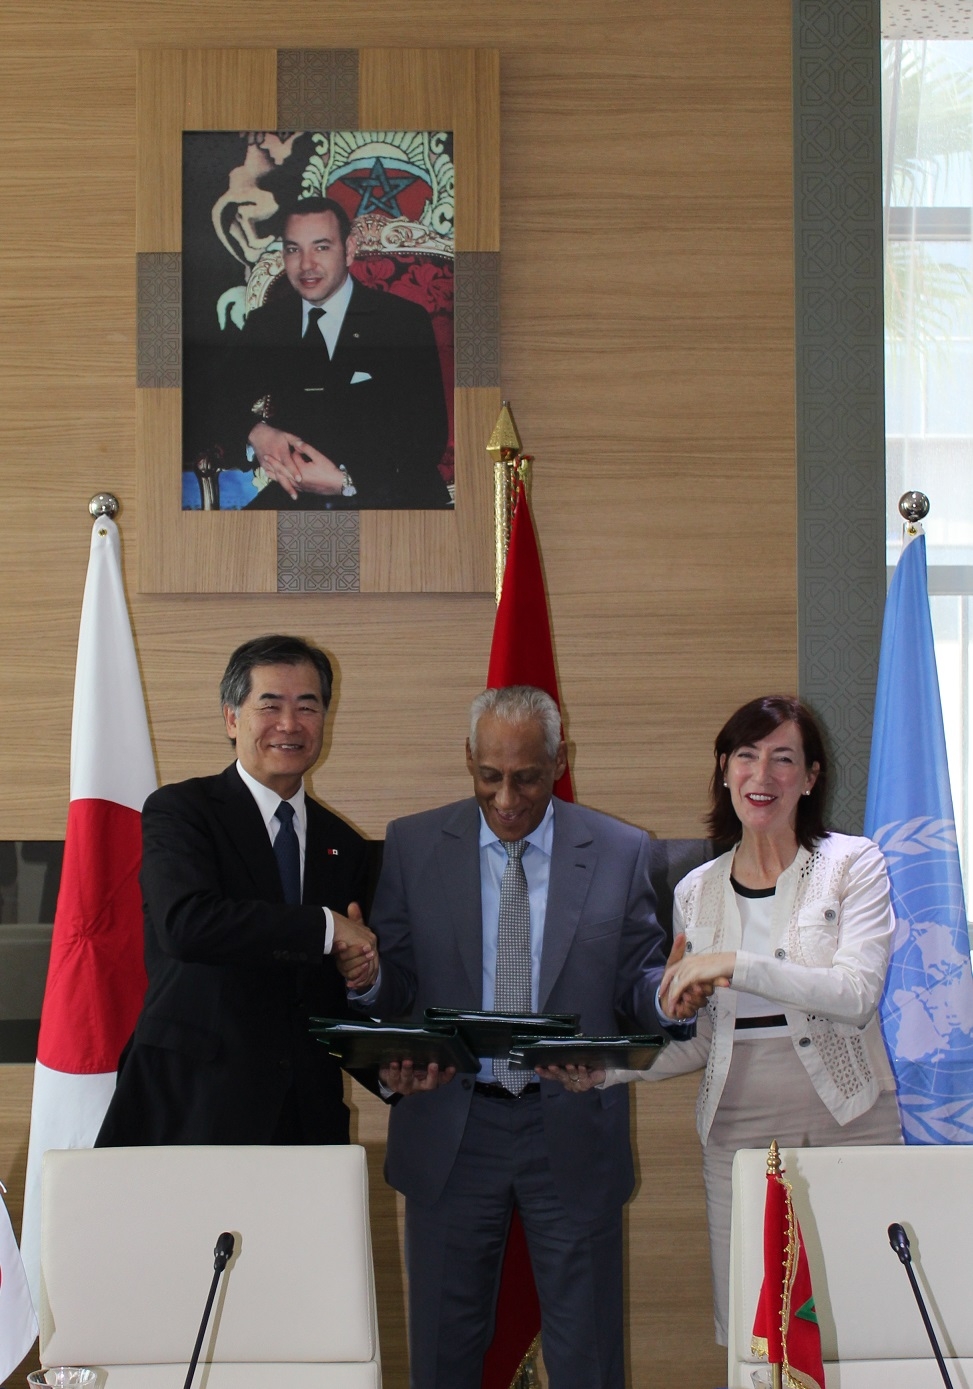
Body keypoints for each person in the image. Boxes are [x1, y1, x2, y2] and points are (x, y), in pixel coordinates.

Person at [353, 685, 690, 1389]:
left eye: (528, 778)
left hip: (569, 1124)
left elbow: (635, 981)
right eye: (490, 776)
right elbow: (399, 985)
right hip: (451, 1128)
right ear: (467, 759)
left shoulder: (620, 849)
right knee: (441, 1357)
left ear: (560, 761)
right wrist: (368, 979)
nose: (507, 798)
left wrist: (666, 995)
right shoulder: (414, 844)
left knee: (588, 1357)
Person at [547, 695, 903, 1346]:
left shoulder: (854, 864)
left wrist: (733, 963)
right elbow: (706, 1041)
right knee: (756, 1336)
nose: (761, 775)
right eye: (746, 755)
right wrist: (605, 1071)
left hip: (851, 1120)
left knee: (865, 1328)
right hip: (736, 1132)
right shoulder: (696, 890)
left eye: (782, 759)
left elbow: (855, 994)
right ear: (723, 768)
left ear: (810, 777)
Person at [96, 634, 378, 1147]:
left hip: (305, 1120)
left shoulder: (345, 846)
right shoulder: (182, 811)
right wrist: (325, 926)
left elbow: (321, 995)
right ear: (231, 718)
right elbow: (187, 925)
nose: (289, 724)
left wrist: (380, 1044)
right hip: (191, 1109)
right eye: (270, 705)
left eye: (307, 707)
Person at [219, 195, 450, 510]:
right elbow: (212, 401)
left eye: (321, 247)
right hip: (297, 496)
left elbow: (427, 439)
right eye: (293, 249)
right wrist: (255, 433)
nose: (306, 265)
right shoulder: (269, 324)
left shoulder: (401, 321)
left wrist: (347, 482)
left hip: (390, 495)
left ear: (349, 250)